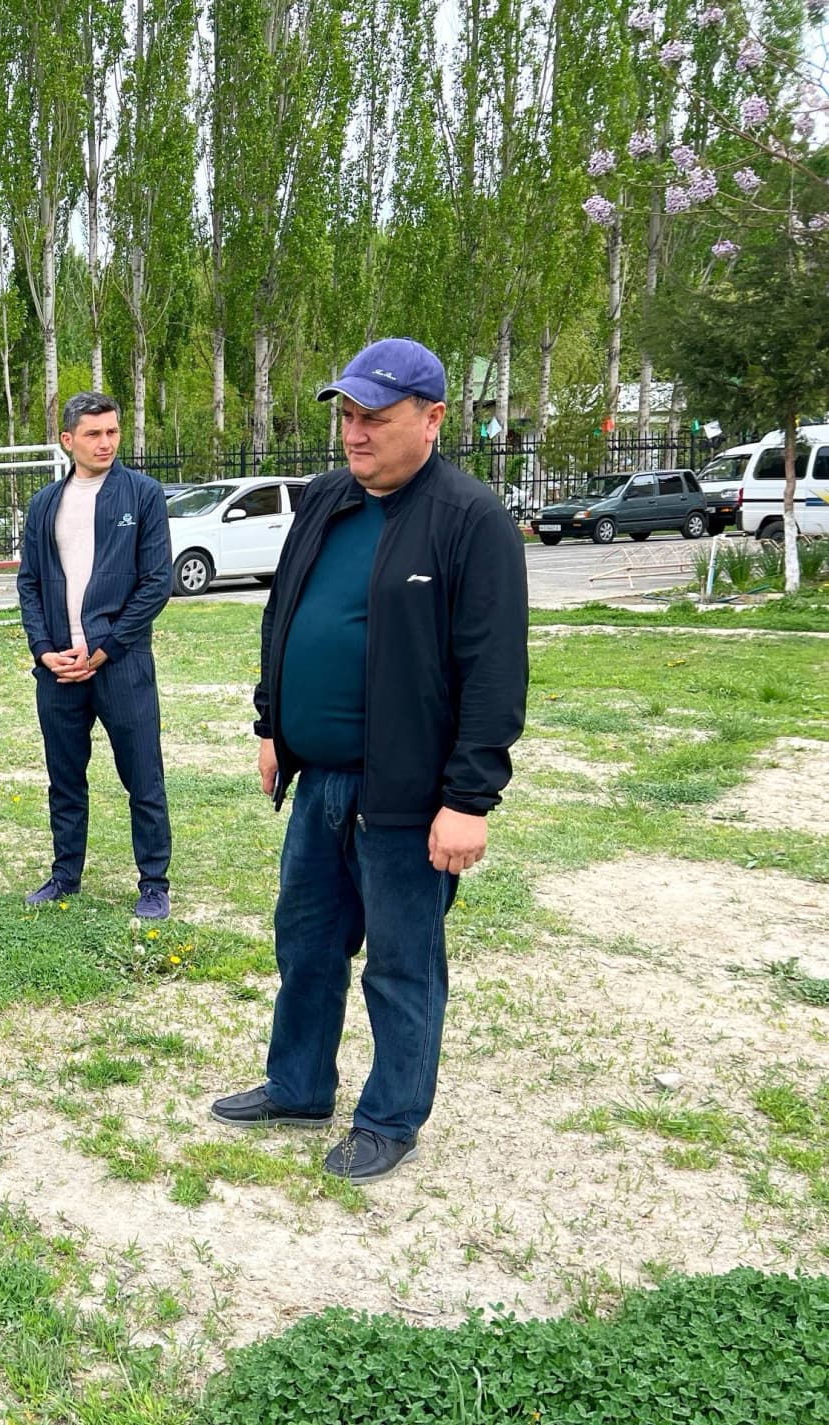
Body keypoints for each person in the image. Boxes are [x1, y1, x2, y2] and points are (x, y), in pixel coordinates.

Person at [211, 337, 528, 1185]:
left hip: (408, 797)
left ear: (431, 420)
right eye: (348, 416)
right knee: (306, 944)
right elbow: (285, 614)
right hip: (319, 783)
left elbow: (494, 670)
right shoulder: (324, 499)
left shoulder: (468, 518)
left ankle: (390, 1116)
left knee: (400, 961)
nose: (355, 434)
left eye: (375, 419)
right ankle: (298, 1083)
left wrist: (469, 797)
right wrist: (272, 724)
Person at [15, 392, 174, 919]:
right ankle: (65, 875)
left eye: (112, 431)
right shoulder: (44, 504)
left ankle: (154, 883)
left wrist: (106, 649)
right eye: (93, 433)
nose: (105, 442)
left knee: (143, 776)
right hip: (59, 670)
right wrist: (43, 651)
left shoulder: (143, 495)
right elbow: (30, 584)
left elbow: (156, 583)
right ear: (68, 441)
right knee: (65, 776)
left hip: (121, 665)